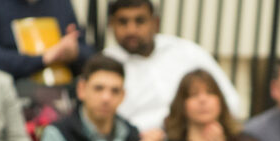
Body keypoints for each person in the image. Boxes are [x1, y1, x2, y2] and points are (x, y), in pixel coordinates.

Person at [103, 0, 243, 131]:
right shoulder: (105, 65)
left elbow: (230, 101)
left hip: (196, 135)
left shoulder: (186, 51)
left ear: (155, 23)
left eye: (140, 21)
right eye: (123, 22)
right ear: (111, 25)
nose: (131, 30)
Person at [0, 0, 93, 81]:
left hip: (62, 89)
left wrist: (74, 52)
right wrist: (43, 59)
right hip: (7, 92)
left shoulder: (60, 3)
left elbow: (88, 52)